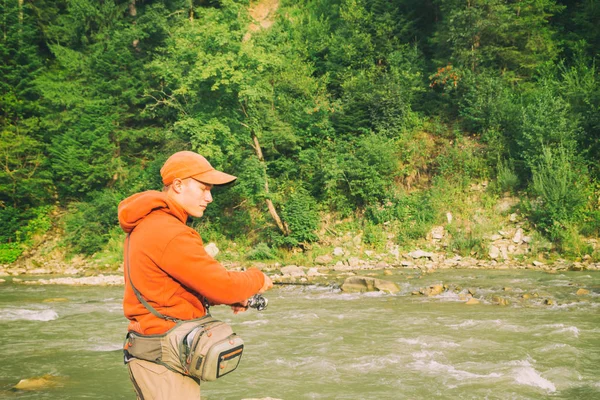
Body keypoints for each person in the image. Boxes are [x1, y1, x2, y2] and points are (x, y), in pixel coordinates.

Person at [118, 151, 273, 399]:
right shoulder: (169, 231)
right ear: (178, 185)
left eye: (210, 190)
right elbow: (223, 285)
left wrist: (234, 299)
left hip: (154, 354)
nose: (209, 197)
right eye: (203, 188)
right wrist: (257, 278)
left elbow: (168, 289)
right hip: (163, 362)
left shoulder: (149, 224)